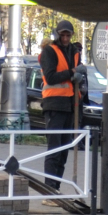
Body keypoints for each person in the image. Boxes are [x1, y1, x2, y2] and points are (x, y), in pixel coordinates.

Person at [39, 21, 83, 184]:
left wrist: (80, 76)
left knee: (64, 150)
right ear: (57, 34)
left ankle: (55, 189)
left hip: (71, 106)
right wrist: (71, 73)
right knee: (55, 150)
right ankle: (49, 190)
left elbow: (77, 78)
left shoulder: (74, 51)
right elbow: (50, 77)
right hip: (54, 105)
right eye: (62, 35)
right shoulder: (49, 51)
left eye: (68, 35)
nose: (65, 38)